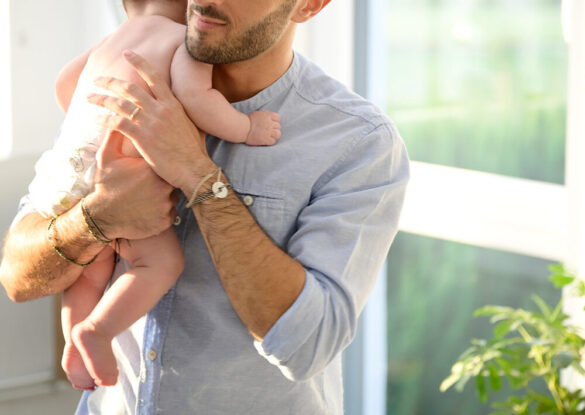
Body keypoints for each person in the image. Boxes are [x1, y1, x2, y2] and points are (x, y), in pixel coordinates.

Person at [0, 0, 410, 413]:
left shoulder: (358, 142)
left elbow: (307, 346)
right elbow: (17, 279)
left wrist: (200, 177)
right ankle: (86, 343)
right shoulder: (121, 93)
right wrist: (98, 218)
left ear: (309, 5)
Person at [27, 0, 281, 392]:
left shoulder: (113, 40)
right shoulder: (184, 41)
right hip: (127, 172)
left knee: (88, 272)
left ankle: (74, 350)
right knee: (159, 263)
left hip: (68, 172)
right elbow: (199, 101)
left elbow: (65, 84)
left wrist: (87, 128)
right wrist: (248, 127)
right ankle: (96, 331)